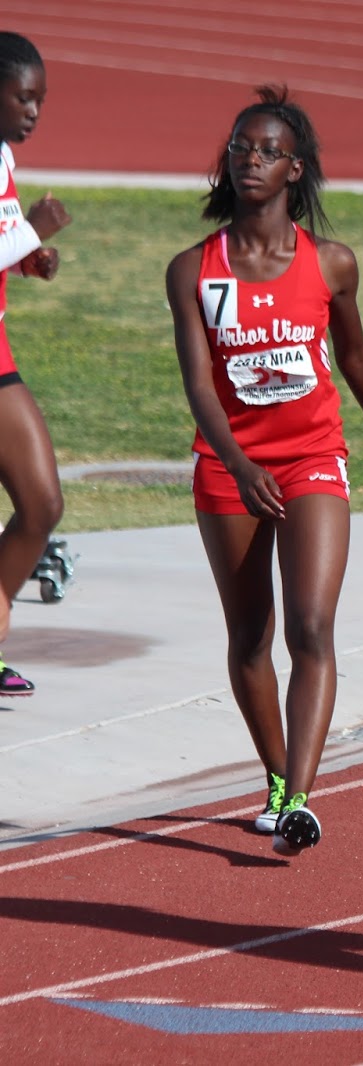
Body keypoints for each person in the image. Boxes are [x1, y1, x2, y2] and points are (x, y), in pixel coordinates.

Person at [166, 86, 363, 857]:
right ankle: (274, 777)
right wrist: (237, 464)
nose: (250, 160)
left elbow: (357, 357)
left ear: (294, 171)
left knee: (311, 625)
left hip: (313, 457)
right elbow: (199, 385)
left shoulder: (330, 264)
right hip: (227, 466)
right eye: (241, 146)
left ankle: (300, 799)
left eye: (268, 151)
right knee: (250, 638)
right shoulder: (192, 271)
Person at [0, 31, 69, 697]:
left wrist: (29, 258)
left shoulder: (1, 158)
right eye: (24, 97)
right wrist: (33, 233)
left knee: (41, 503)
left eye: (39, 100)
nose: (34, 112)